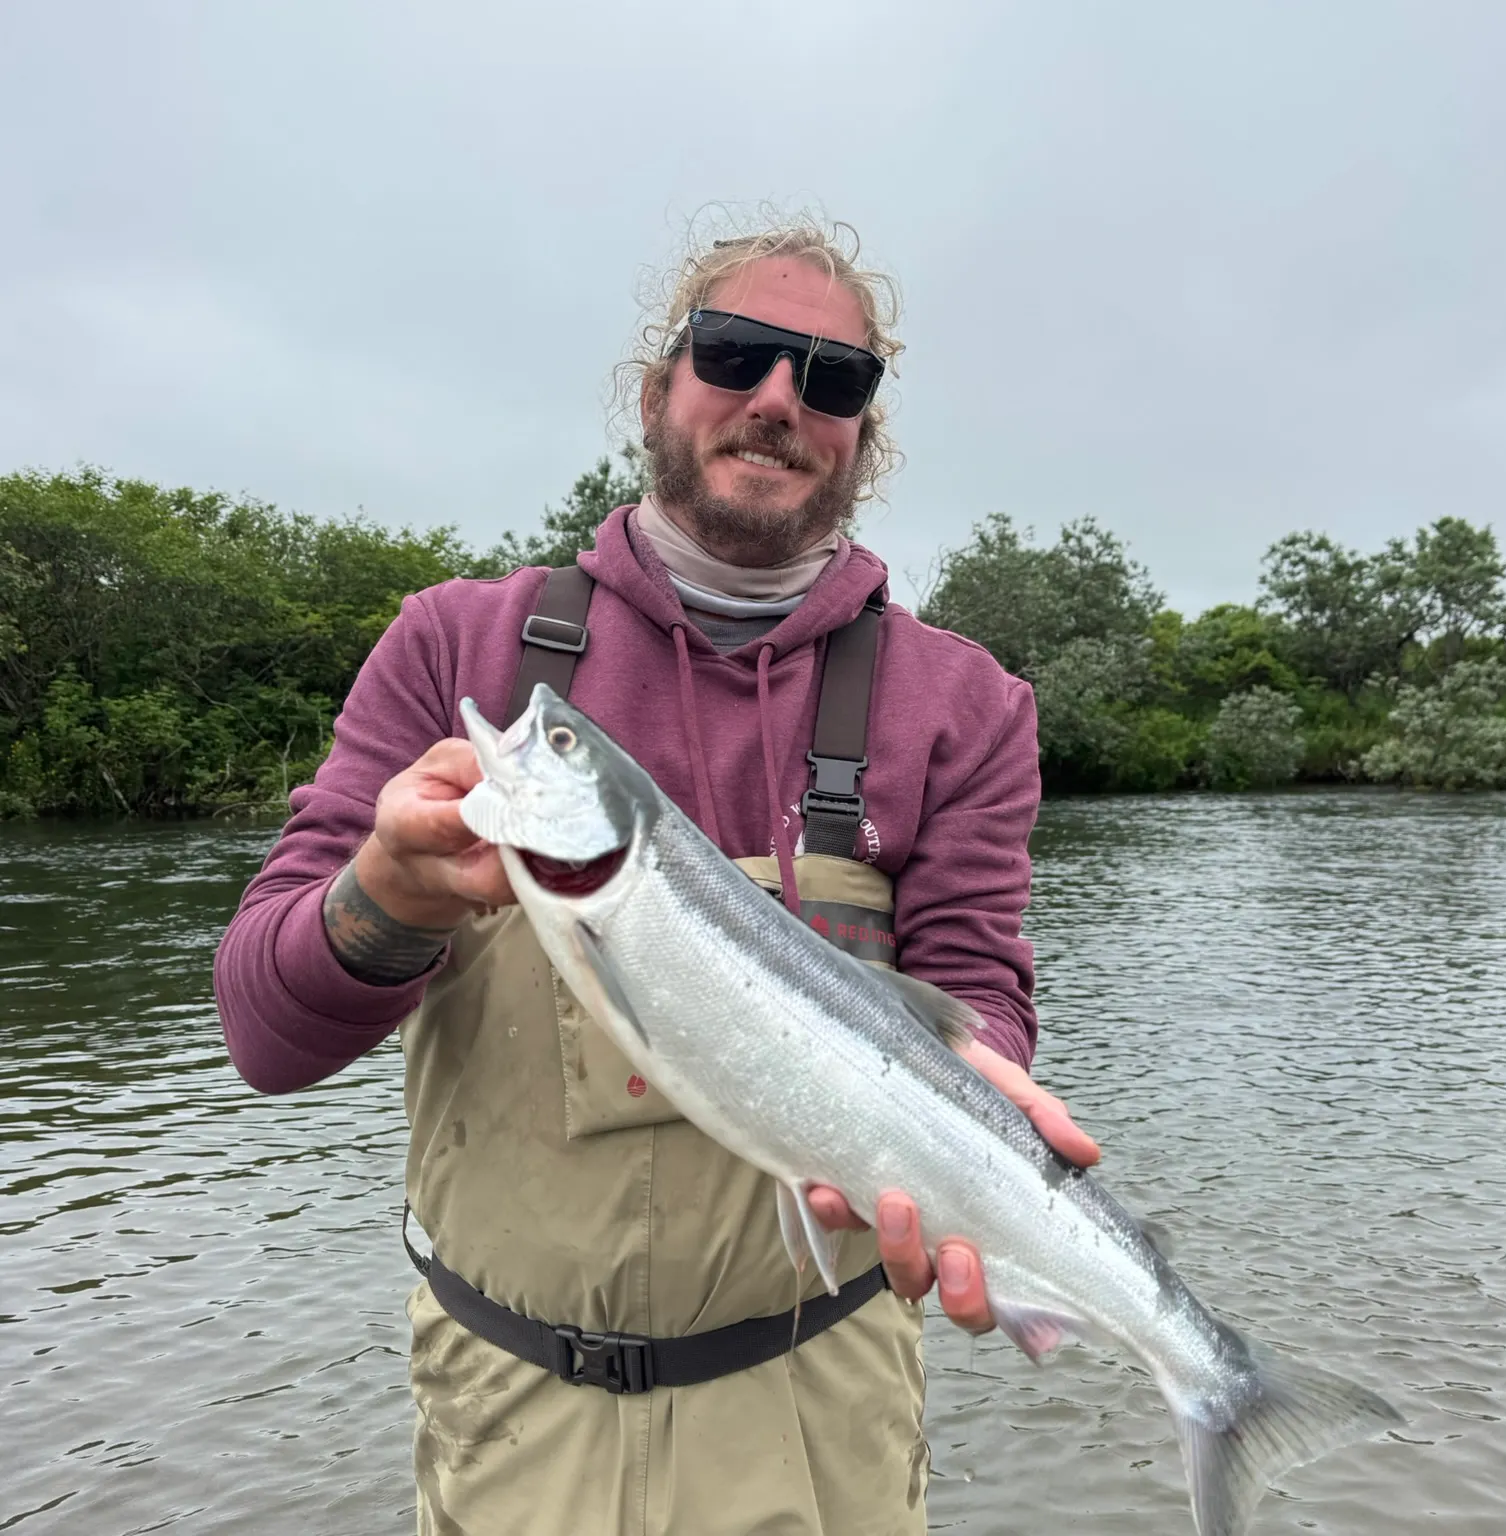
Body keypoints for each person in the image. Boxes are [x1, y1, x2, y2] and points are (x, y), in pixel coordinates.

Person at [215, 220, 1099, 1535]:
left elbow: (975, 996)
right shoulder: (455, 643)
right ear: (656, 390)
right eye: (737, 353)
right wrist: (389, 898)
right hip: (509, 1415)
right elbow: (261, 1031)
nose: (780, 400)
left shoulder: (965, 704)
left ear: (864, 433)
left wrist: (976, 1136)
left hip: (825, 1412)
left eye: (833, 379)